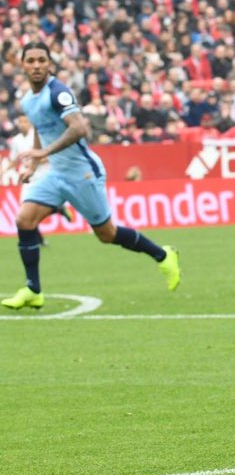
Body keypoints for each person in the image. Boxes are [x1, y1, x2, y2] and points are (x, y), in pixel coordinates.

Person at [2, 42, 182, 311]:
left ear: (50, 64)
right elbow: (40, 127)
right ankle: (33, 289)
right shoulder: (28, 100)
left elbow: (79, 128)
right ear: (23, 65)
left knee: (107, 234)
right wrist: (36, 162)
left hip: (82, 173)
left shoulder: (58, 93)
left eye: (41, 60)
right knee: (24, 220)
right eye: (31, 61)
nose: (37, 65)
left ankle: (163, 255)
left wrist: (45, 151)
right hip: (56, 173)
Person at [3, 114, 74, 244]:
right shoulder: (16, 140)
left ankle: (57, 209)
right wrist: (4, 171)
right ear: (17, 123)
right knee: (25, 210)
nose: (23, 124)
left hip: (43, 174)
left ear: (30, 123)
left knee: (38, 208)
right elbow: (14, 159)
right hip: (28, 177)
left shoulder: (38, 136)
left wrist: (36, 160)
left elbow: (51, 154)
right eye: (20, 122)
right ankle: (39, 239)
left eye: (25, 121)